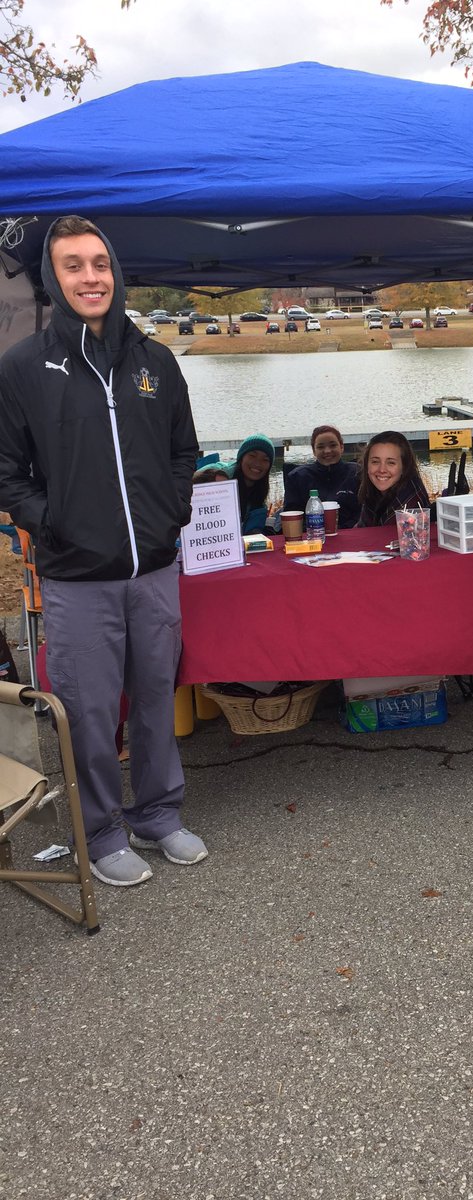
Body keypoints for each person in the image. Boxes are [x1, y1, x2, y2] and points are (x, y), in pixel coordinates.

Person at [0, 214, 206, 886]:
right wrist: (49, 522)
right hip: (74, 578)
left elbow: (183, 451)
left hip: (153, 571)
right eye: (73, 265)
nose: (90, 276)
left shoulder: (154, 361)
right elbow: (7, 472)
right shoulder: (24, 368)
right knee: (89, 713)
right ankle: (99, 830)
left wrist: (172, 512)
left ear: (114, 273)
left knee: (153, 698)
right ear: (53, 280)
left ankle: (157, 815)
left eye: (99, 263)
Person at [283, 425, 361, 528]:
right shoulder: (297, 477)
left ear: (341, 447)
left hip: (352, 534)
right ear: (314, 451)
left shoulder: (358, 473)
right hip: (312, 535)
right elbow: (293, 515)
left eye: (333, 445)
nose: (327, 451)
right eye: (321, 447)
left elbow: (364, 512)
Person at [357, 431, 430, 527]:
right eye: (375, 462)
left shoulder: (410, 501)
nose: (382, 470)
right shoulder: (373, 492)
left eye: (391, 463)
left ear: (404, 466)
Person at [228, 434, 276, 533]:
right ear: (241, 458)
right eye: (252, 456)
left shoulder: (259, 497)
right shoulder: (222, 478)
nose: (258, 463)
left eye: (265, 460)